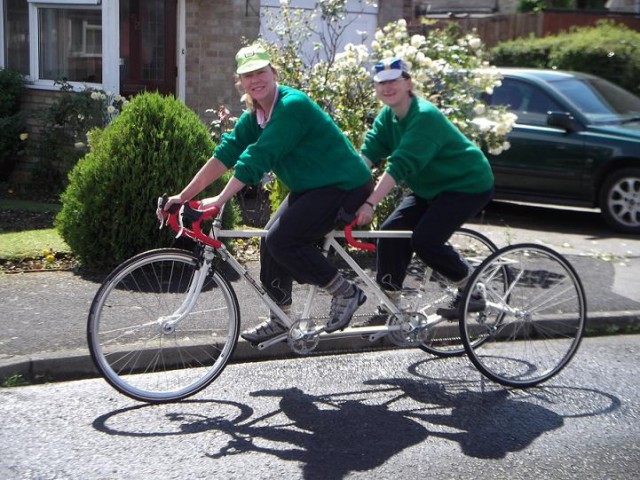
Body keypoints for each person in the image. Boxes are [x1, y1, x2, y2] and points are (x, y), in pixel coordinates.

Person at [161, 44, 373, 343]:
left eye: (261, 71)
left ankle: (345, 292)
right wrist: (183, 197)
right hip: (312, 187)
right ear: (240, 82)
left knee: (283, 240)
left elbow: (260, 156)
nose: (255, 79)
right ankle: (281, 316)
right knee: (268, 240)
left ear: (274, 73)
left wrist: (219, 200)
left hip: (345, 185)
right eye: (247, 75)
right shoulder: (256, 116)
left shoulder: (291, 106)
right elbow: (226, 154)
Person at [354, 57, 495, 318]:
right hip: (430, 188)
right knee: (390, 234)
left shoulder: (425, 116)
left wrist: (370, 203)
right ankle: (391, 304)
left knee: (425, 240)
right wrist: (348, 185)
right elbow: (370, 151)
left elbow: (399, 165)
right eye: (381, 83)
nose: (387, 87)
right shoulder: (389, 116)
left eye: (394, 80)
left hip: (466, 184)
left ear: (408, 83)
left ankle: (472, 290)